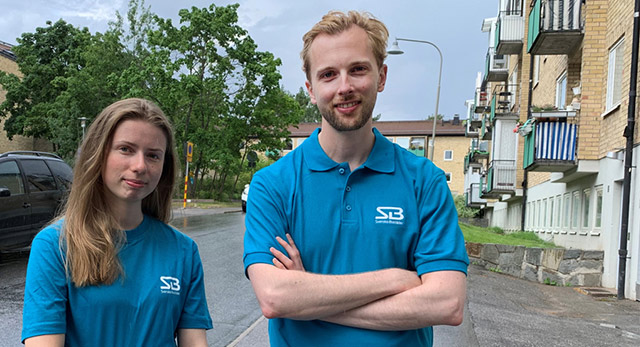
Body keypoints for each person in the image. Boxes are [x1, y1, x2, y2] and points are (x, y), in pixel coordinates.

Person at [243, 10, 469, 347]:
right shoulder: (273, 185)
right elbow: (275, 298)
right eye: (329, 74)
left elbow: (447, 303)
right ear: (311, 87)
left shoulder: (425, 182)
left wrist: (307, 296)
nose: (344, 87)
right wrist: (395, 279)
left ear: (381, 76)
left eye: (358, 69)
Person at [21, 98, 212, 346]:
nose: (140, 165)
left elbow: (195, 341)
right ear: (98, 154)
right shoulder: (54, 246)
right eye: (126, 149)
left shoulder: (184, 251)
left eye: (153, 155)